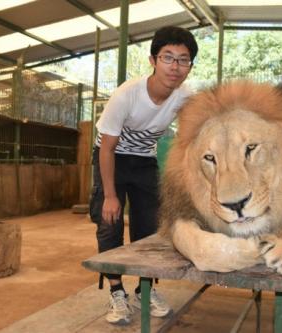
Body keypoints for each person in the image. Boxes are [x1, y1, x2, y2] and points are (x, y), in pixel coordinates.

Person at [89, 26, 198, 325]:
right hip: (112, 159)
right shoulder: (127, 95)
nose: (175, 67)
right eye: (168, 57)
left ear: (189, 66)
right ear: (153, 60)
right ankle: (116, 292)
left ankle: (144, 291)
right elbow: (107, 149)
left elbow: (194, 135)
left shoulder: (186, 98)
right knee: (109, 223)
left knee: (149, 229)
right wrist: (110, 196)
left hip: (144, 162)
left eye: (183, 59)